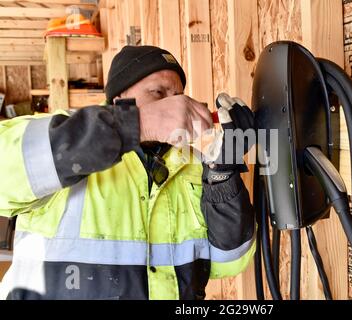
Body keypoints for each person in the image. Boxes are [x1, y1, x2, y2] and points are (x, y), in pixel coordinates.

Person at [0, 46, 256, 300]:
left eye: (178, 95)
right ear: (119, 97)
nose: (173, 103)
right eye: (157, 92)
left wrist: (223, 173)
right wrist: (136, 124)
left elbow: (229, 262)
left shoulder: (194, 166)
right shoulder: (66, 139)